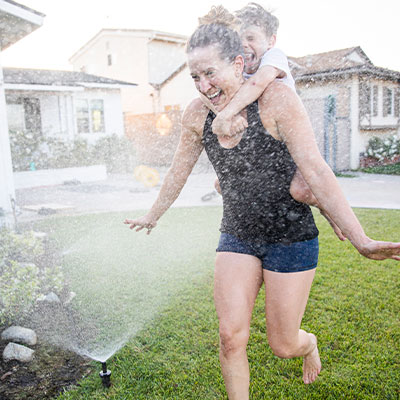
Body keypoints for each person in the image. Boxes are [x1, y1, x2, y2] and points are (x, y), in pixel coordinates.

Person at [124, 7, 400, 399]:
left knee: (283, 345)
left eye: (210, 73)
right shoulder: (195, 115)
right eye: (195, 77)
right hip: (237, 235)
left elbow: (317, 173)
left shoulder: (276, 100)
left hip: (291, 238)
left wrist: (362, 240)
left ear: (238, 63)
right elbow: (177, 172)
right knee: (229, 337)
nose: (203, 85)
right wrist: (153, 214)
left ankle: (309, 344)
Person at [204, 3, 346, 240]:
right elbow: (207, 89)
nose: (243, 44)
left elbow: (258, 84)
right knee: (222, 185)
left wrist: (227, 114)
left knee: (301, 189)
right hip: (263, 146)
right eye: (238, 38)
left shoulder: (274, 58)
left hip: (290, 140)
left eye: (251, 37)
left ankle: (329, 210)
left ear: (271, 40)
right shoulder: (236, 64)